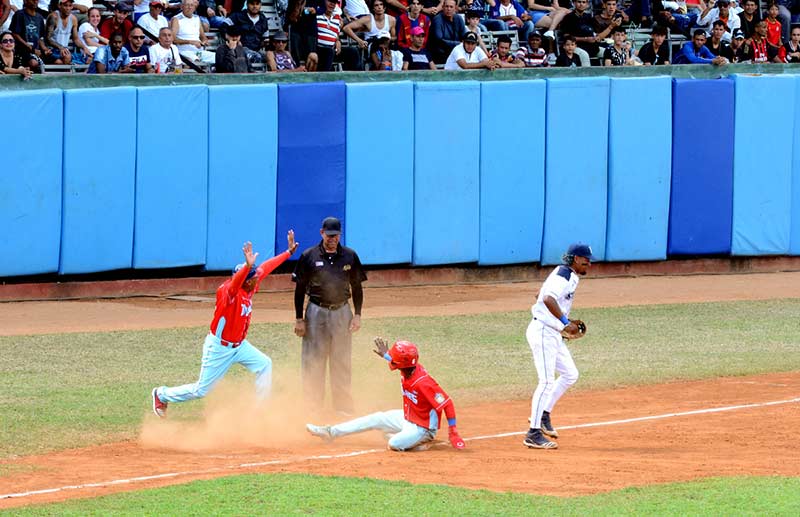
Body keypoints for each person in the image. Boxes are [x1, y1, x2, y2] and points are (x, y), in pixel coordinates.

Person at [152, 233, 299, 418]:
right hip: (219, 348)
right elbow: (237, 282)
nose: (257, 279)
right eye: (252, 277)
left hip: (240, 345)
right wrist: (246, 267)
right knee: (201, 390)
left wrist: (288, 252)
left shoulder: (250, 285)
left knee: (265, 365)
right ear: (245, 278)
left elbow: (265, 268)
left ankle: (260, 414)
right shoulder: (227, 292)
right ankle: (161, 394)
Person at [306, 337, 466, 452]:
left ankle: (423, 442)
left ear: (402, 363)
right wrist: (386, 356)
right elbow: (400, 361)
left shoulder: (424, 383)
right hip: (409, 418)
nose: (392, 361)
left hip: (423, 428)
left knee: (394, 443)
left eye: (394, 359)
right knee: (377, 418)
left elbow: (447, 403)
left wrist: (453, 431)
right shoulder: (408, 368)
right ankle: (331, 432)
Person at [293, 217, 367, 416]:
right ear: (321, 233)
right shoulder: (309, 256)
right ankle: (312, 407)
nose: (332, 239)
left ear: (340, 235)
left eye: (336, 235)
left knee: (341, 360)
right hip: (316, 311)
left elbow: (357, 286)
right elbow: (299, 289)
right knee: (313, 360)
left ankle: (343, 407)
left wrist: (357, 314)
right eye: (329, 235)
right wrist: (299, 318)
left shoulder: (350, 256)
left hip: (342, 311)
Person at [524, 243, 593, 450]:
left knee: (570, 374)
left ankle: (544, 413)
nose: (589, 263)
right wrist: (564, 322)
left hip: (551, 331)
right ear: (575, 259)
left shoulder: (567, 275)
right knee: (545, 381)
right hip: (543, 332)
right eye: (586, 259)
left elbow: (540, 295)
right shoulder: (564, 275)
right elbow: (546, 298)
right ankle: (533, 433)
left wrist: (561, 321)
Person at [171, 0, 215, 65]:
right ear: (182, 7)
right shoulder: (177, 19)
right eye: (187, 5)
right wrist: (191, 42)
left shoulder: (196, 18)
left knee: (217, 57)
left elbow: (203, 37)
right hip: (184, 51)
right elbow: (173, 39)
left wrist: (204, 42)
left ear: (194, 8)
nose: (190, 7)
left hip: (198, 51)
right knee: (195, 60)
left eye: (192, 5)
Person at [46, 0, 90, 64]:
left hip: (64, 50)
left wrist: (84, 48)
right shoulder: (54, 17)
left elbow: (76, 39)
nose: (68, 8)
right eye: (65, 5)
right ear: (59, 6)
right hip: (52, 49)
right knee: (61, 61)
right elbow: (48, 38)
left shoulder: (73, 19)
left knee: (89, 58)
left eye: (70, 6)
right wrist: (61, 47)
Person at [10, 0, 48, 70]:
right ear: (25, 1)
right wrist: (30, 47)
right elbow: (15, 34)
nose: (35, 2)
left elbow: (40, 37)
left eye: (37, 0)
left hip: (35, 52)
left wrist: (45, 49)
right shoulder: (19, 14)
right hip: (21, 51)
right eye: (33, 0)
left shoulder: (40, 17)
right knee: (33, 63)